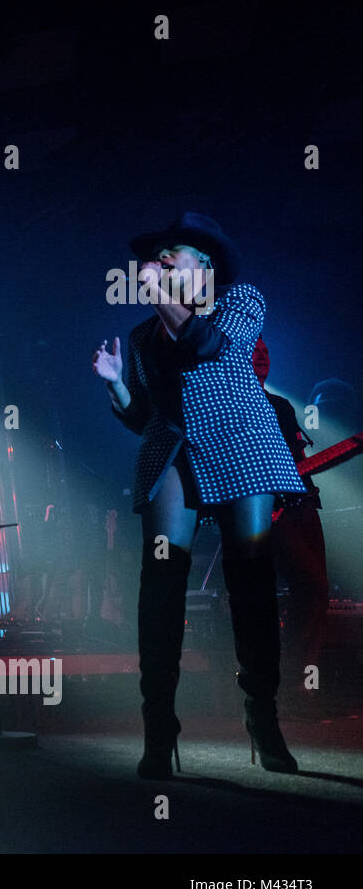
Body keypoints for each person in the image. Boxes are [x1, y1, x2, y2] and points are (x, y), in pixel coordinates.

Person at [92, 213, 305, 778]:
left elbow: (209, 345)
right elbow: (143, 417)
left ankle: (263, 714)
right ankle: (159, 727)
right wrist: (116, 382)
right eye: (156, 255)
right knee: (160, 581)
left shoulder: (240, 300)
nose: (160, 259)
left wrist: (162, 295)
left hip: (242, 439)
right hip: (172, 447)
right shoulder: (141, 336)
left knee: (250, 578)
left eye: (173, 252)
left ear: (205, 264)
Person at [252, 337, 329, 690]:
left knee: (313, 592)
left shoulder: (282, 405)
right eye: (254, 348)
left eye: (267, 350)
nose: (263, 354)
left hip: (301, 508)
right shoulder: (228, 404)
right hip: (261, 512)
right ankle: (268, 683)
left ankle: (302, 686)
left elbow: (299, 461)